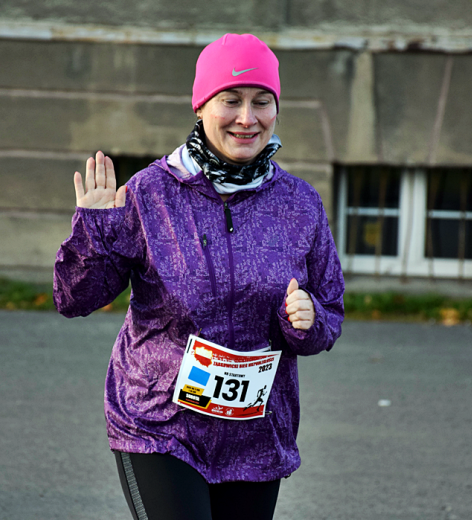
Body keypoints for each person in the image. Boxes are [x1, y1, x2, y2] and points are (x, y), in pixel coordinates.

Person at [54, 33, 345, 520]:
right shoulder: (152, 192)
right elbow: (77, 298)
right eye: (230, 100)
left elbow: (328, 315)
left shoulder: (299, 204)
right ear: (201, 106)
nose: (246, 118)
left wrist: (309, 320)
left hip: (255, 435)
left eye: (262, 102)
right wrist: (95, 229)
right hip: (159, 424)